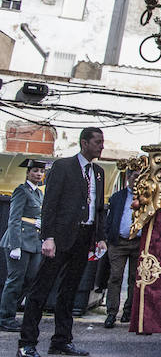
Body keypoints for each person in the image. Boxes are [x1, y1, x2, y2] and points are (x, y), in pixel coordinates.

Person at [18, 127, 107, 357]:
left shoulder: (98, 172)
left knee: (69, 292)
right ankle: (26, 344)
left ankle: (61, 341)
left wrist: (100, 238)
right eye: (97, 142)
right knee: (41, 290)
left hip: (84, 238)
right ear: (84, 143)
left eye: (102, 141)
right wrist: (48, 237)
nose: (101, 146)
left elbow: (98, 209)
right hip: (59, 239)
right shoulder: (63, 167)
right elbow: (50, 204)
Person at [0, 160, 46, 332]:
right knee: (15, 280)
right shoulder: (21, 190)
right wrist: (15, 245)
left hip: (34, 243)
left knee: (29, 280)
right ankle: (5, 317)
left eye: (41, 171)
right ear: (28, 173)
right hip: (19, 241)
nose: (39, 174)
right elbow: (14, 218)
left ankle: (10, 312)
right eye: (35, 171)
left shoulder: (39, 194)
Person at [103, 170, 141, 329]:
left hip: (138, 242)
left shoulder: (147, 196)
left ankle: (129, 311)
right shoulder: (118, 197)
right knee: (115, 276)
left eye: (139, 177)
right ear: (128, 178)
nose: (136, 179)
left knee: (135, 278)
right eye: (134, 176)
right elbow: (110, 218)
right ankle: (112, 312)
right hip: (119, 242)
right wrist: (107, 237)